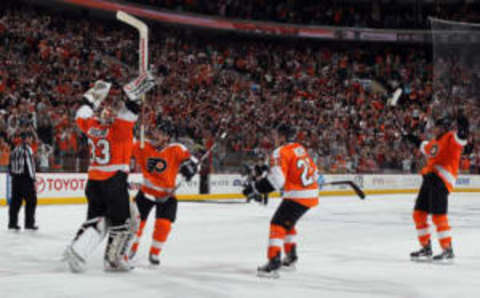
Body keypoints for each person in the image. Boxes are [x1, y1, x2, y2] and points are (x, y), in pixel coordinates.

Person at [64, 74, 155, 273]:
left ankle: (77, 249)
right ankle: (114, 259)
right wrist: (134, 94)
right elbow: (131, 109)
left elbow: (82, 111)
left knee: (97, 220)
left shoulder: (90, 126)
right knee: (123, 223)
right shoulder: (120, 129)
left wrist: (92, 96)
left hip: (94, 181)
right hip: (114, 180)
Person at [242, 124, 319, 278]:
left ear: (283, 136)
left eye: (276, 135)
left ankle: (274, 263)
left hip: (298, 196)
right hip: (310, 194)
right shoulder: (299, 148)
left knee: (277, 224)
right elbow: (315, 173)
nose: (274, 138)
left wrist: (255, 188)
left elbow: (276, 182)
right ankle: (290, 258)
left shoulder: (279, 152)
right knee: (287, 224)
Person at [128, 120, 198, 265]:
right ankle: (130, 249)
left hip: (166, 197)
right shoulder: (142, 146)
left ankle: (154, 253)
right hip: (145, 194)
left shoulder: (177, 148)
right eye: (155, 131)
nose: (155, 134)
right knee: (136, 224)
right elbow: (125, 145)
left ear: (167, 137)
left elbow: (191, 162)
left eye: (160, 133)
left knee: (164, 225)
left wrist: (191, 168)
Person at [405, 111, 469, 262]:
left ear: (445, 127)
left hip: (441, 181)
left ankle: (447, 249)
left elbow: (462, 139)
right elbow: (424, 146)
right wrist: (412, 139)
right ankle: (426, 247)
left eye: (438, 127)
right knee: (418, 214)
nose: (435, 129)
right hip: (429, 179)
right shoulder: (435, 142)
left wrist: (463, 126)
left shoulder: (451, 138)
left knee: (439, 216)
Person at [7, 129, 38, 230]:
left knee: (15, 202)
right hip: (26, 179)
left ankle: (12, 223)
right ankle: (29, 224)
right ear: (27, 139)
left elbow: (10, 165)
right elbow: (30, 165)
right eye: (30, 138)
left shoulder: (15, 149)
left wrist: (13, 175)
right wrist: (33, 179)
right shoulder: (27, 149)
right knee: (31, 201)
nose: (31, 140)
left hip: (16, 179)